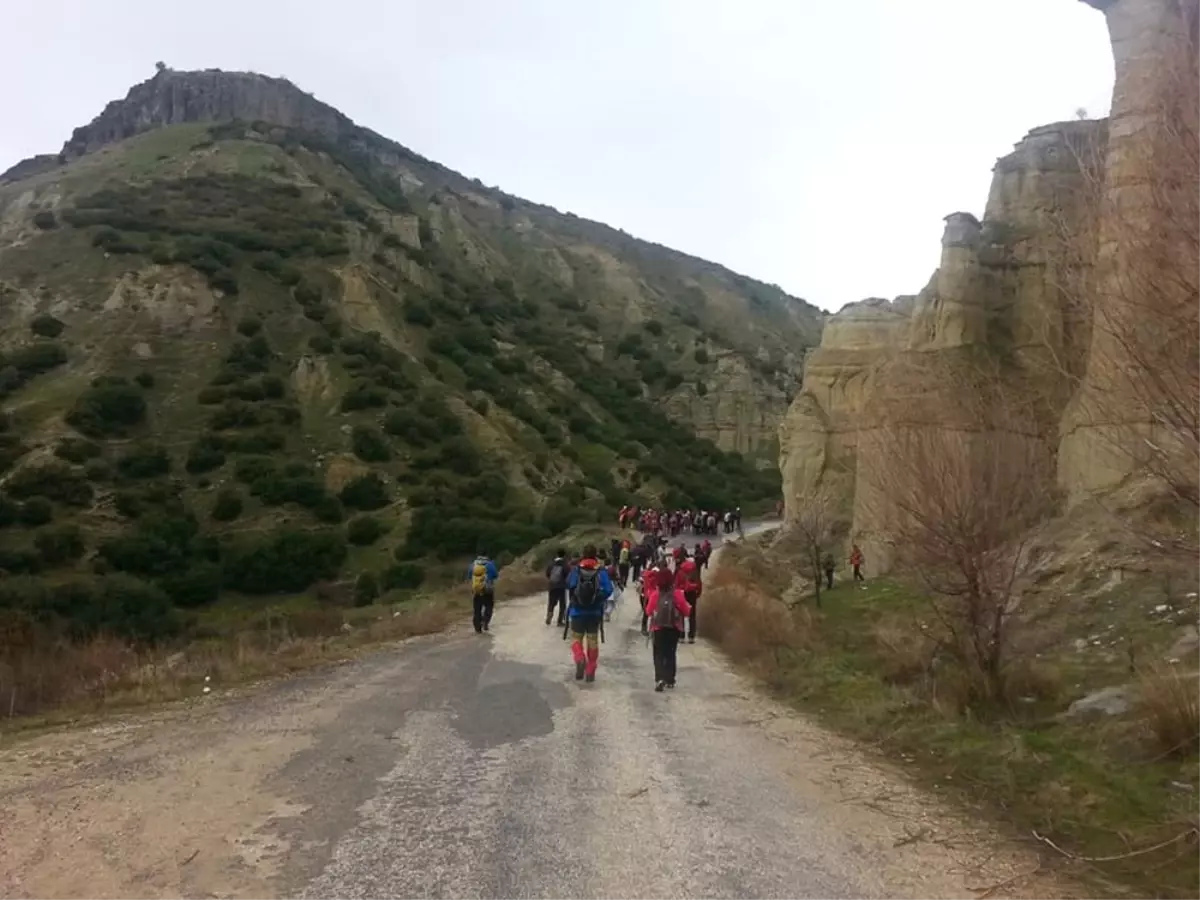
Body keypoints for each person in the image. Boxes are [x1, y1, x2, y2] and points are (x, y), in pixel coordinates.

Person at [566, 545, 612, 682]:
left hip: (577, 611)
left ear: (583, 554)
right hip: (594, 613)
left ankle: (580, 658)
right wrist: (598, 599)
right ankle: (590, 669)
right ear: (595, 555)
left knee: (576, 639)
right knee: (592, 641)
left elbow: (569, 584)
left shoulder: (576, 570)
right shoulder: (601, 571)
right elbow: (609, 590)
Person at [644, 559, 692, 691]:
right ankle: (670, 679)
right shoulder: (678, 594)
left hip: (658, 627)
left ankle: (659, 678)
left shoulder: (655, 594)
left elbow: (648, 611)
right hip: (674, 627)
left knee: (658, 653)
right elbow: (686, 611)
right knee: (670, 653)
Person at [467, 551, 499, 633]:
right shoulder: (490, 564)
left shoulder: (473, 565)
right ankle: (485, 621)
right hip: (487, 589)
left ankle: (477, 627)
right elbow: (496, 575)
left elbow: (469, 576)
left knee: (477, 609)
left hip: (477, 590)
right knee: (489, 606)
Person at [674, 551, 703, 643]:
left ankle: (681, 636)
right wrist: (698, 593)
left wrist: (676, 594)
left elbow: (676, 583)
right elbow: (699, 582)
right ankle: (691, 637)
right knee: (692, 615)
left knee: (681, 615)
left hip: (682, 593)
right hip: (692, 593)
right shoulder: (695, 570)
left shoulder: (680, 569)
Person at [545, 548, 570, 626]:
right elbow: (568, 574)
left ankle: (549, 613)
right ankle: (559, 621)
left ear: (557, 555)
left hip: (552, 585)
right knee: (562, 604)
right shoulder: (565, 564)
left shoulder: (551, 563)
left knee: (551, 602)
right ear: (564, 555)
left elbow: (548, 574)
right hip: (561, 586)